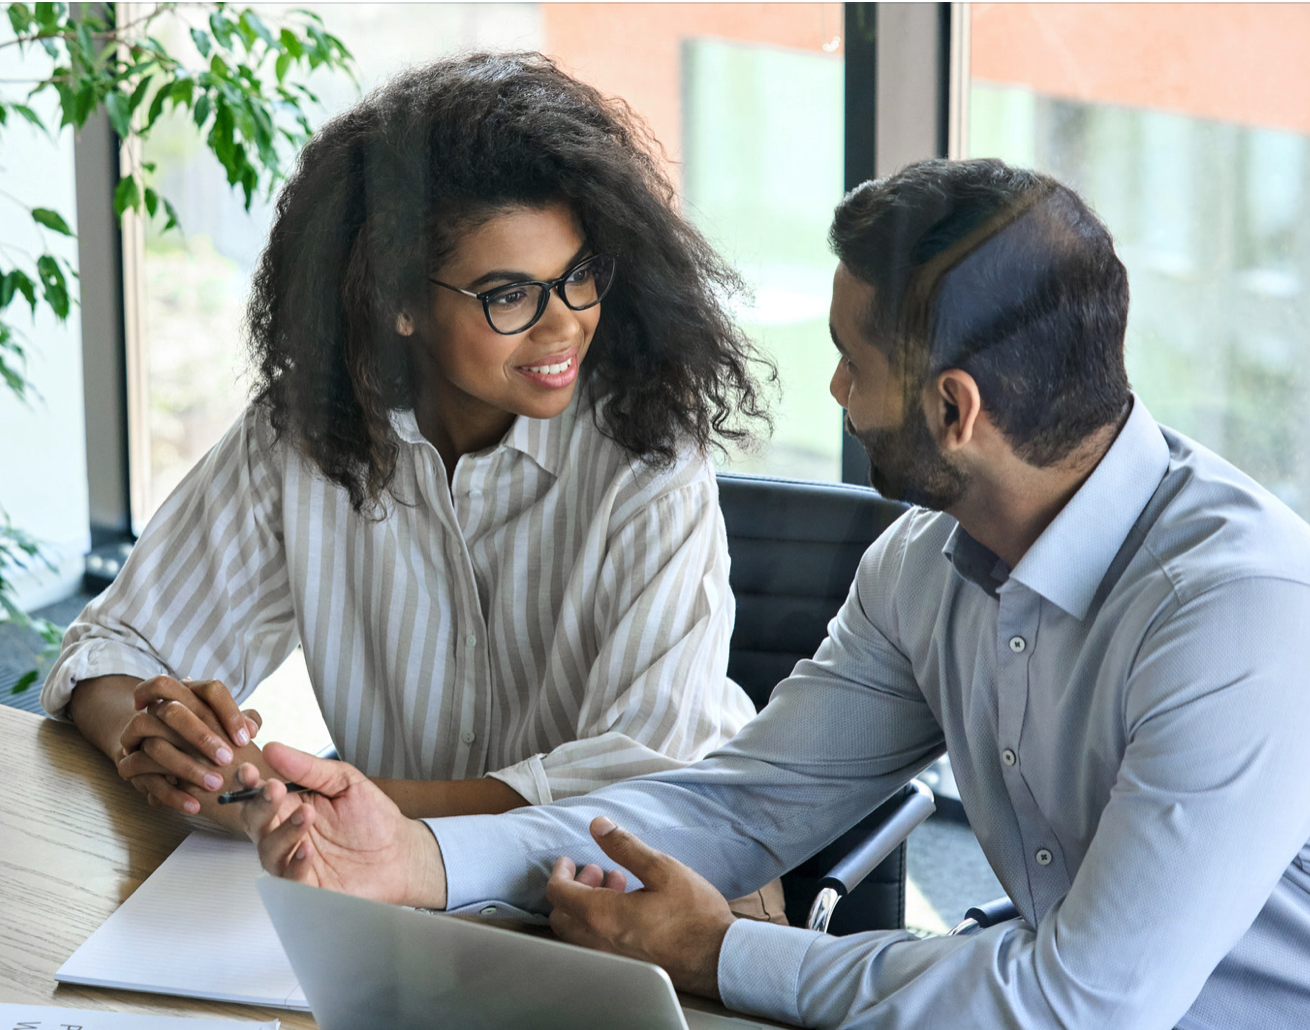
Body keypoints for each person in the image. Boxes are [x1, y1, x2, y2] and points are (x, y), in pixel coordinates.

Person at [238, 158, 1310, 1029]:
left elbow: (1077, 1005)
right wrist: (417, 858)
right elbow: (739, 806)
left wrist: (717, 952)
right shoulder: (925, 563)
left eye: (850, 358)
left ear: (954, 410)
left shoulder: (1243, 626)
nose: (831, 387)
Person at [41, 52, 788, 918]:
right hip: (389, 888)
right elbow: (114, 648)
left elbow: (637, 782)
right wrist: (158, 739)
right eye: (509, 293)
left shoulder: (649, 454)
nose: (565, 323)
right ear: (396, 299)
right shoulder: (307, 430)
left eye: (579, 275)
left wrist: (335, 809)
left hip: (650, 890)